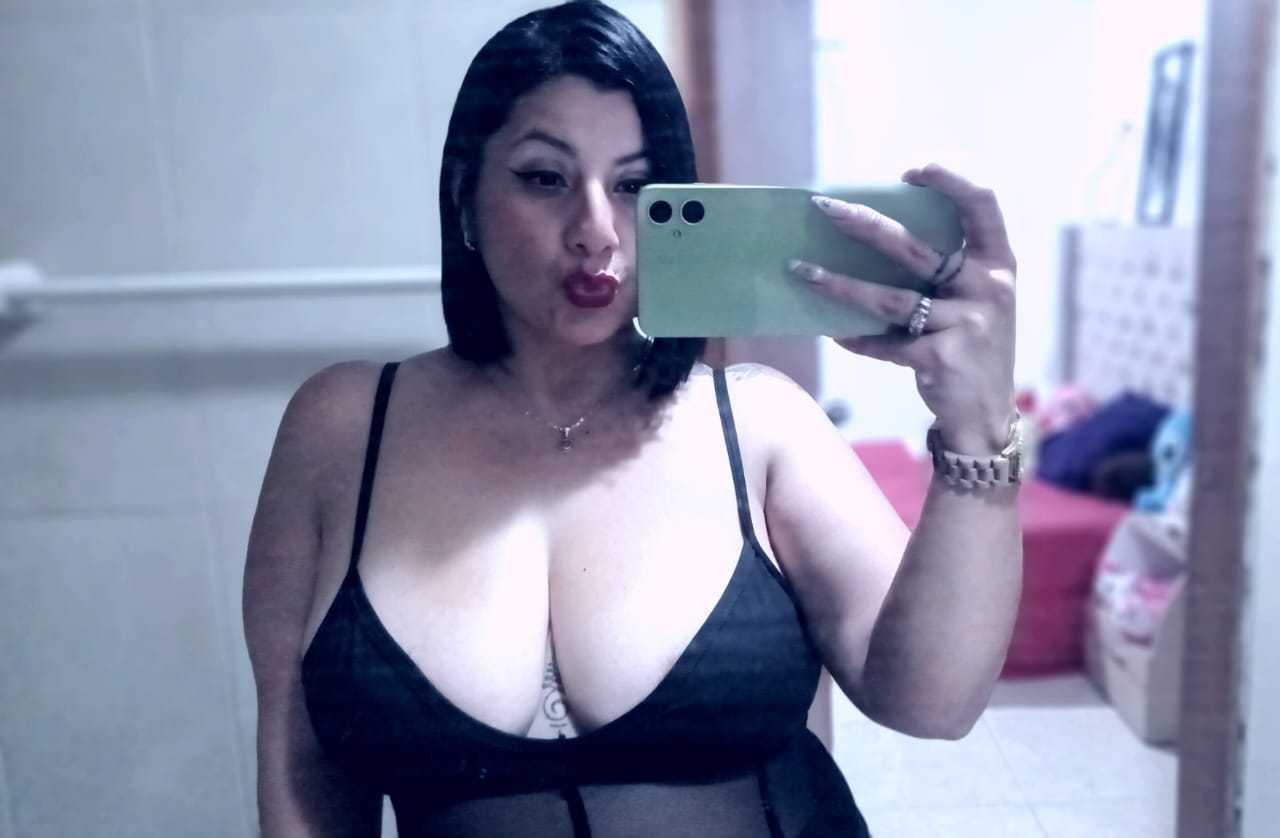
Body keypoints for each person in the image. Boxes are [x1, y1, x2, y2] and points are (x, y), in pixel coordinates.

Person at [242, 2, 1023, 835]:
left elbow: (933, 703)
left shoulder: (761, 425)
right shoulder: (342, 428)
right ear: (465, 198)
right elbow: (302, 767)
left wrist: (976, 423)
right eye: (545, 178)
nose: (596, 232)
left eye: (634, 187)